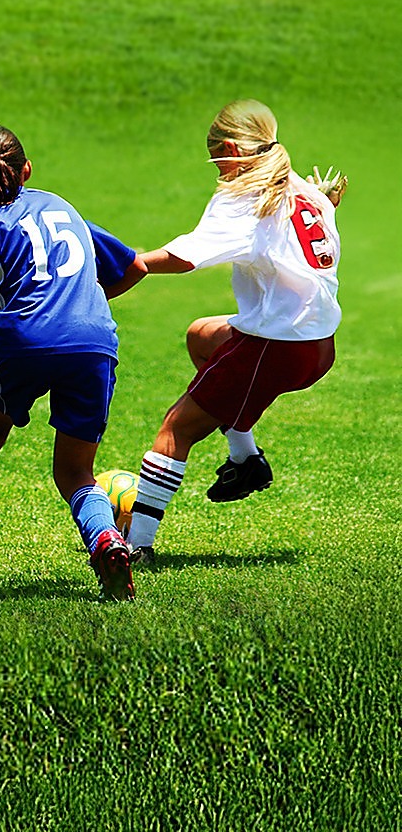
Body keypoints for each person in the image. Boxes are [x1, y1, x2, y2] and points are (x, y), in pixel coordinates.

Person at [0, 124, 147, 601]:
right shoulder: (60, 206)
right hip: (94, 340)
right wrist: (82, 304)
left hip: (23, 339)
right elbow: (133, 267)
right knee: (75, 471)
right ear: (27, 170)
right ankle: (106, 540)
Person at [125, 99, 347, 566]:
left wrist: (135, 262)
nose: (218, 172)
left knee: (175, 429)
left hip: (276, 347)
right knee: (202, 336)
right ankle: (245, 459)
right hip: (318, 346)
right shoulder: (304, 190)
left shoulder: (245, 193)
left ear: (229, 149)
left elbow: (187, 256)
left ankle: (136, 547)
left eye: (217, 161)